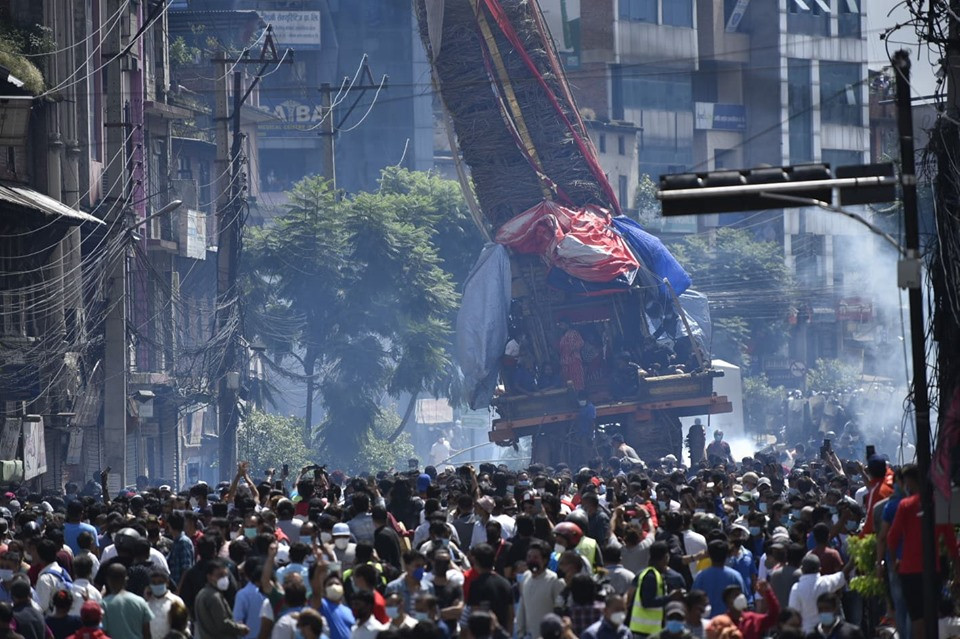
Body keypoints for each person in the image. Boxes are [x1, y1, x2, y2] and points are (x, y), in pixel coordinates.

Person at [887, 463, 960, 639]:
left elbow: (891, 538)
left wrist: (895, 561)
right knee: (932, 615)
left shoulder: (905, 505)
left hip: (909, 570)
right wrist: (957, 569)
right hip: (932, 569)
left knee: (917, 619)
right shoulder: (939, 503)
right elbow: (950, 542)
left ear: (909, 482)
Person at [626, 541, 680, 637]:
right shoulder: (650, 576)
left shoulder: (651, 574)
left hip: (647, 630)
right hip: (644, 631)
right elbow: (647, 602)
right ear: (665, 557)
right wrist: (670, 597)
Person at [786, 554, 846, 633]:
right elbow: (843, 575)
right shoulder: (826, 582)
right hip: (826, 632)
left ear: (802, 569)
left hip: (806, 632)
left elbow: (793, 614)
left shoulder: (796, 588)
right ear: (819, 569)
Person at [464, 544, 513, 634]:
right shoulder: (506, 584)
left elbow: (475, 615)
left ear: (476, 561)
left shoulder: (476, 585)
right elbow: (510, 616)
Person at [194, 559, 248, 639]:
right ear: (209, 577)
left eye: (225, 575)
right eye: (220, 575)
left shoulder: (202, 593)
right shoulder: (214, 597)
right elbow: (223, 624)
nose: (224, 579)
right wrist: (240, 628)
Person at [691, 540, 746, 617]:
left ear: (709, 554)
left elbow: (694, 600)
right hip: (730, 622)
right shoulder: (735, 576)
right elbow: (742, 600)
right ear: (727, 554)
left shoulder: (701, 576)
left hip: (708, 623)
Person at [705, 582, 778, 639]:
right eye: (735, 595)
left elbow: (774, 616)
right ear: (728, 602)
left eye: (740, 594)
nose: (740, 597)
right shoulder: (720, 622)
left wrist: (768, 593)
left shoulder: (753, 619)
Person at [101, 563, 154, 639]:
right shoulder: (140, 602)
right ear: (126, 580)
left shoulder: (103, 604)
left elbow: (103, 633)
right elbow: (147, 633)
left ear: (108, 580)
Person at [144, 568, 183, 639]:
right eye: (154, 582)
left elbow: (183, 628)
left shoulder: (176, 601)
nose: (157, 585)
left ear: (167, 583)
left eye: (160, 582)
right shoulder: (147, 604)